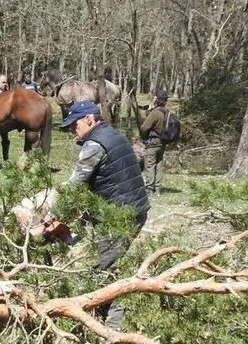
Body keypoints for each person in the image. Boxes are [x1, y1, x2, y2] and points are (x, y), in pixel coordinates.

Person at [55, 100, 149, 269]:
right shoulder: (113, 134)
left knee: (102, 268)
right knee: (110, 261)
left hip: (118, 214)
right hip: (136, 207)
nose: (72, 131)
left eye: (75, 124)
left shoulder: (95, 145)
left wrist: (50, 213)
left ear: (89, 119)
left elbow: (75, 184)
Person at [138, 89, 169, 196]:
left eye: (155, 97)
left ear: (157, 99)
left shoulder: (155, 113)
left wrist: (144, 137)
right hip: (163, 142)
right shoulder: (166, 112)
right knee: (159, 164)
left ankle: (149, 189)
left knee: (150, 165)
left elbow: (144, 127)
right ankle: (158, 189)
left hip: (153, 142)